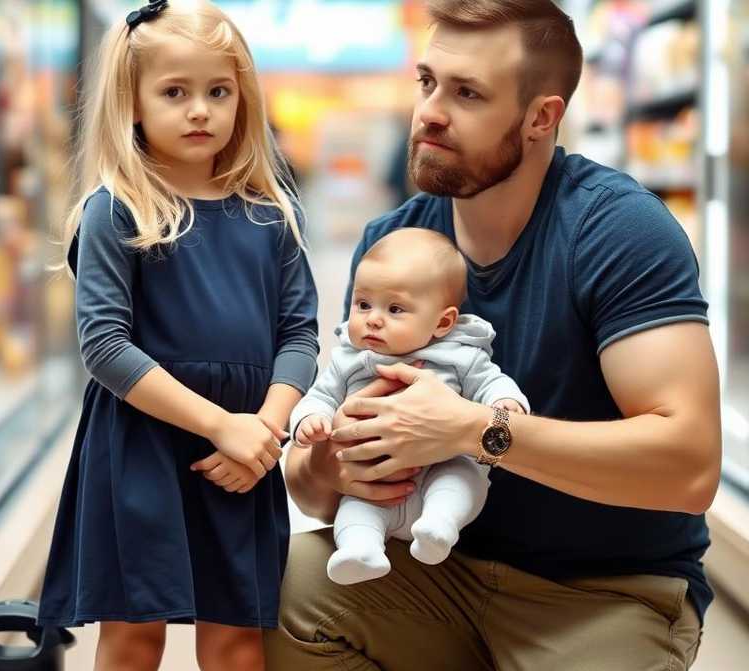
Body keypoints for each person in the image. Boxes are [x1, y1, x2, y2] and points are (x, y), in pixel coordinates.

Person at [265, 1, 720, 670]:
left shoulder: (618, 232)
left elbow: (690, 466)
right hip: (436, 570)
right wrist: (341, 454)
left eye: (467, 93)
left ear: (541, 117)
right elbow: (311, 491)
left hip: (603, 592)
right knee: (283, 584)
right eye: (427, 83)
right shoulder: (395, 246)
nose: (429, 113)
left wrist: (473, 429)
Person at [35, 2, 319, 670]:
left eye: (218, 91)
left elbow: (300, 332)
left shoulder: (271, 213)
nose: (200, 110)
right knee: (134, 637)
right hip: (141, 448)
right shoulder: (115, 212)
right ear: (131, 104)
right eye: (175, 92)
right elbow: (105, 346)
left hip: (245, 450)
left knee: (236, 640)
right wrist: (222, 424)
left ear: (243, 99)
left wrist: (262, 432)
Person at [290, 228, 528, 586]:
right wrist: (310, 420)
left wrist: (505, 404)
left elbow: (493, 383)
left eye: (395, 308)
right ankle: (360, 551)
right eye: (363, 304)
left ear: (443, 322)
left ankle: (439, 526)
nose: (373, 318)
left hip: (440, 467)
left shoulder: (460, 355)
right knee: (354, 509)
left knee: (462, 478)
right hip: (375, 479)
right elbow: (319, 396)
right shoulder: (350, 360)